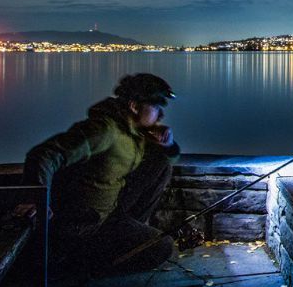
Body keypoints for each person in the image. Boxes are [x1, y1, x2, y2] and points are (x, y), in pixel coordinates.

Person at [19, 73, 180, 273]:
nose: (160, 114)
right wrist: (35, 198)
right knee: (161, 246)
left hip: (110, 212)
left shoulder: (135, 132)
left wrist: (168, 145)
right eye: (156, 107)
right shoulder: (104, 130)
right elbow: (45, 154)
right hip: (83, 223)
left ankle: (131, 229)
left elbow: (162, 166)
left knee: (161, 162)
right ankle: (75, 266)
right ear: (134, 106)